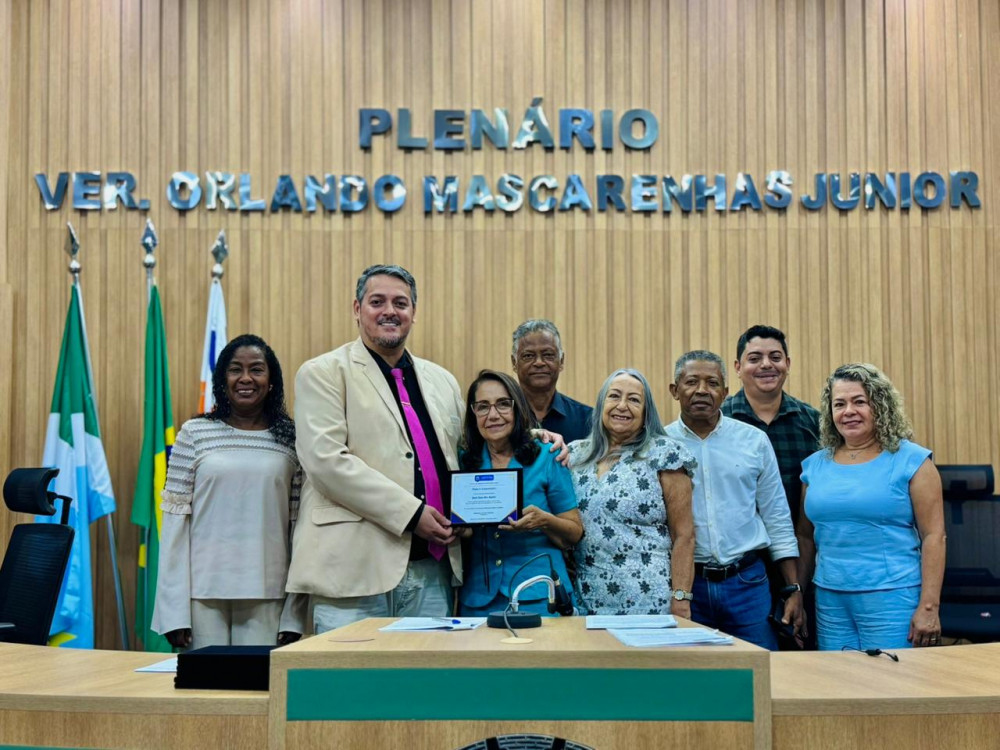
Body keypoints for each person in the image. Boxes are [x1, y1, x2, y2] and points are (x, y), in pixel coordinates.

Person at [286, 265, 466, 633]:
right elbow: (326, 462)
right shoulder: (322, 372)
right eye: (377, 301)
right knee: (351, 672)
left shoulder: (443, 381)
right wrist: (412, 514)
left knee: (427, 671)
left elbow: (466, 453)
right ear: (357, 309)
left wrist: (537, 437)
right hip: (351, 571)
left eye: (400, 303)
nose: (390, 311)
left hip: (433, 569)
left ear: (413, 312)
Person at [152, 334, 306, 649]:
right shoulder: (194, 433)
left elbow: (299, 529)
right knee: (205, 681)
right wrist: (173, 611)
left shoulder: (292, 438)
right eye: (235, 369)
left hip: (270, 592)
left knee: (258, 680)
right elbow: (175, 523)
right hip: (201, 594)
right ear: (223, 380)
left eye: (256, 369)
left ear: (271, 381)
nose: (245, 378)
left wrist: (295, 613)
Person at [797, 363, 945, 651]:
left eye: (859, 402)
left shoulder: (912, 461)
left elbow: (934, 536)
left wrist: (929, 607)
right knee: (837, 679)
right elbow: (805, 536)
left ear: (880, 405)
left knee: (891, 679)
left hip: (893, 598)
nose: (848, 411)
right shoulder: (814, 466)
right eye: (839, 404)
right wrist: (798, 595)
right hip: (830, 600)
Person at [665, 350, 803, 650]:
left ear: (725, 392)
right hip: (686, 585)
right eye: (691, 382)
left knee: (760, 668)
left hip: (747, 583)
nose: (702, 390)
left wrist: (793, 588)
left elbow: (777, 518)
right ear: (675, 390)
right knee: (692, 670)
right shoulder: (659, 445)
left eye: (712, 383)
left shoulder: (754, 441)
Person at [722, 324, 820, 648]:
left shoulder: (814, 424)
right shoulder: (718, 422)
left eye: (775, 357)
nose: (766, 365)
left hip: (803, 562)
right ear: (738, 367)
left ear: (787, 364)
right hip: (739, 568)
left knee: (800, 655)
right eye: (755, 358)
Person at [569, 369, 696, 617]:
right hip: (586, 598)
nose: (622, 406)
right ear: (601, 404)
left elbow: (684, 536)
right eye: (614, 396)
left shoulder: (665, 453)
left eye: (634, 400)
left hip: (649, 601)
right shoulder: (575, 455)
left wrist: (681, 599)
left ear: (646, 412)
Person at [457, 370, 582, 617]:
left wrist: (544, 521)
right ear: (473, 413)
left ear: (518, 407)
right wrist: (460, 529)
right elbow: (466, 529)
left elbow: (575, 532)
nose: (493, 415)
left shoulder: (548, 455)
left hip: (539, 595)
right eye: (483, 407)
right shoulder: (464, 461)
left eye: (503, 404)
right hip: (479, 598)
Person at [512, 319, 593, 443]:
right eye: (528, 356)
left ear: (561, 361)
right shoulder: (500, 417)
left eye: (548, 355)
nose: (539, 362)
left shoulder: (588, 420)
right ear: (514, 363)